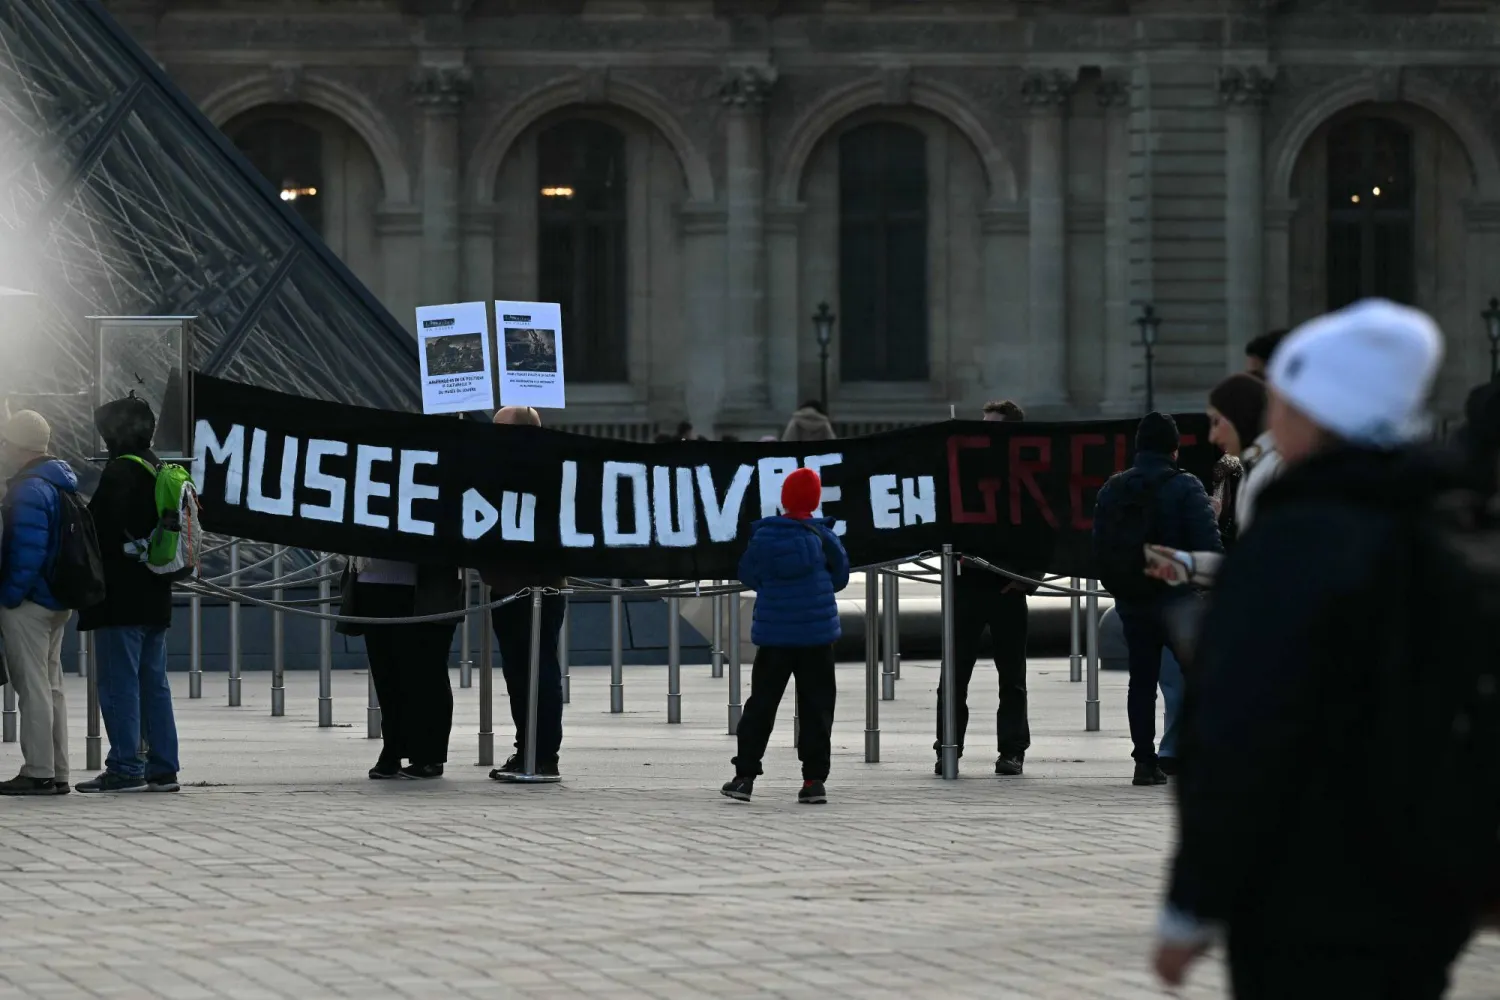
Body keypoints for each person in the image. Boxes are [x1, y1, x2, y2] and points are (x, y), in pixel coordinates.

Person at [1154, 299, 1477, 998]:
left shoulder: (1300, 541)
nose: (1274, 417)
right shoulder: (1448, 526)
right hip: (1427, 888)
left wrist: (1193, 901)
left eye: (1288, 402)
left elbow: (1244, 728)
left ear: (1321, 414)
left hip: (1304, 886)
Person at [1092, 412, 1221, 786]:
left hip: (1132, 598)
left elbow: (1099, 548)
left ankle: (1144, 762)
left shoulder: (1113, 487)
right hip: (1178, 599)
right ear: (1175, 449)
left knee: (1142, 681)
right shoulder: (1186, 487)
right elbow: (1208, 548)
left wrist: (1124, 586)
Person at [722, 467, 849, 804]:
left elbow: (749, 574)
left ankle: (744, 776)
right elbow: (840, 578)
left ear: (784, 499)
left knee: (761, 705)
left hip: (775, 636)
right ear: (815, 500)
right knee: (817, 708)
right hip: (817, 638)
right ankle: (813, 781)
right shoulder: (824, 537)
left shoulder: (764, 536)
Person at [75, 395, 180, 793]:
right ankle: (163, 767)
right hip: (156, 592)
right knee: (155, 683)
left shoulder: (120, 473)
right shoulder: (159, 468)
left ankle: (124, 766)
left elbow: (96, 534)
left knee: (119, 683)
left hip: (121, 599)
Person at [935, 400, 1037, 776]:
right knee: (954, 675)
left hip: (1007, 587)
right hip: (967, 584)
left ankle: (1012, 751)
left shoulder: (1027, 476)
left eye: (991, 427)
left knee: (1012, 677)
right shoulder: (962, 471)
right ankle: (947, 747)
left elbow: (1044, 529)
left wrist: (1027, 577)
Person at [485, 405, 567, 782]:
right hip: (508, 585)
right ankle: (528, 749)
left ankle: (542, 754)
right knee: (521, 675)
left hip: (534, 587)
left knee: (537, 673)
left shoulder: (542, 472)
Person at [0, 411, 78, 795]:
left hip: (30, 601)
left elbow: (27, 551)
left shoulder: (27, 488)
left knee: (31, 687)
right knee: (51, 687)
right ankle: (58, 770)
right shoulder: (59, 481)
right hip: (57, 599)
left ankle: (38, 771)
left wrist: (10, 597)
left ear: (18, 445)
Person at [340, 554, 463, 780]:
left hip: (426, 588)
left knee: (427, 673)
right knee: (386, 674)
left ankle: (429, 755)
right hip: (373, 582)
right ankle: (393, 750)